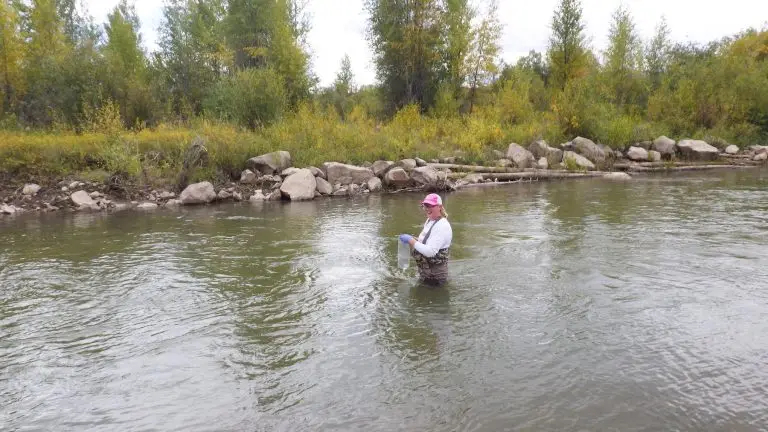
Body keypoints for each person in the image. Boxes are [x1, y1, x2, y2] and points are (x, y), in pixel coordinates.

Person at [399, 193, 453, 286]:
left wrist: (411, 241)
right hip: (425, 273)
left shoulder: (442, 225)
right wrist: (413, 238)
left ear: (439, 207)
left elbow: (430, 251)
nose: (427, 208)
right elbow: (426, 242)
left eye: (430, 205)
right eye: (425, 206)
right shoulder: (430, 220)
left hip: (436, 278)